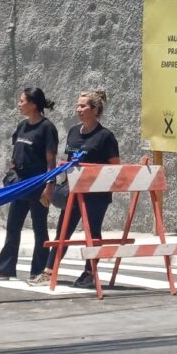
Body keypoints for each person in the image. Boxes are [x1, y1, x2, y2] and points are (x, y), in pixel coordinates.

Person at [29, 91, 119, 288]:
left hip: (96, 196)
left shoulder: (105, 137)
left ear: (95, 110)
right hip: (73, 192)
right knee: (62, 231)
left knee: (92, 233)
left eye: (83, 106)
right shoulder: (73, 132)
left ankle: (90, 272)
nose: (78, 109)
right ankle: (49, 270)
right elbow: (69, 162)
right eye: (78, 105)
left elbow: (114, 168)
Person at [0, 88, 59, 281]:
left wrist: (49, 186)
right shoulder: (22, 126)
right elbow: (16, 154)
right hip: (19, 186)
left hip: (38, 185)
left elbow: (51, 162)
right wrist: (11, 173)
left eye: (22, 101)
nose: (19, 104)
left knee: (40, 229)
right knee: (13, 226)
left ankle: (39, 272)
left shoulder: (47, 128)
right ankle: (4, 269)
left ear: (33, 104)